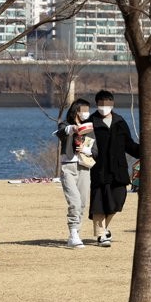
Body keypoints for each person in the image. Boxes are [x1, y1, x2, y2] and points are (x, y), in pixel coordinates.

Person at [88, 90, 140, 247]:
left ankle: (104, 229)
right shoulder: (91, 122)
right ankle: (101, 235)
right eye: (101, 104)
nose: (104, 107)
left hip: (118, 169)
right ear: (97, 104)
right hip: (99, 169)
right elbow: (86, 145)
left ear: (112, 104)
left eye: (108, 103)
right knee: (99, 203)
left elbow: (129, 145)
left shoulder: (120, 121)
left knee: (117, 200)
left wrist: (145, 150)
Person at [56, 98, 94, 248]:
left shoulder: (90, 128)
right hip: (69, 168)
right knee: (75, 202)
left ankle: (76, 234)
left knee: (83, 203)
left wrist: (86, 150)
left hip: (84, 167)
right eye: (84, 110)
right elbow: (61, 132)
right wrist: (73, 129)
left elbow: (95, 149)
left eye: (87, 110)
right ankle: (73, 233)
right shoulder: (65, 125)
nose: (86, 113)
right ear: (76, 111)